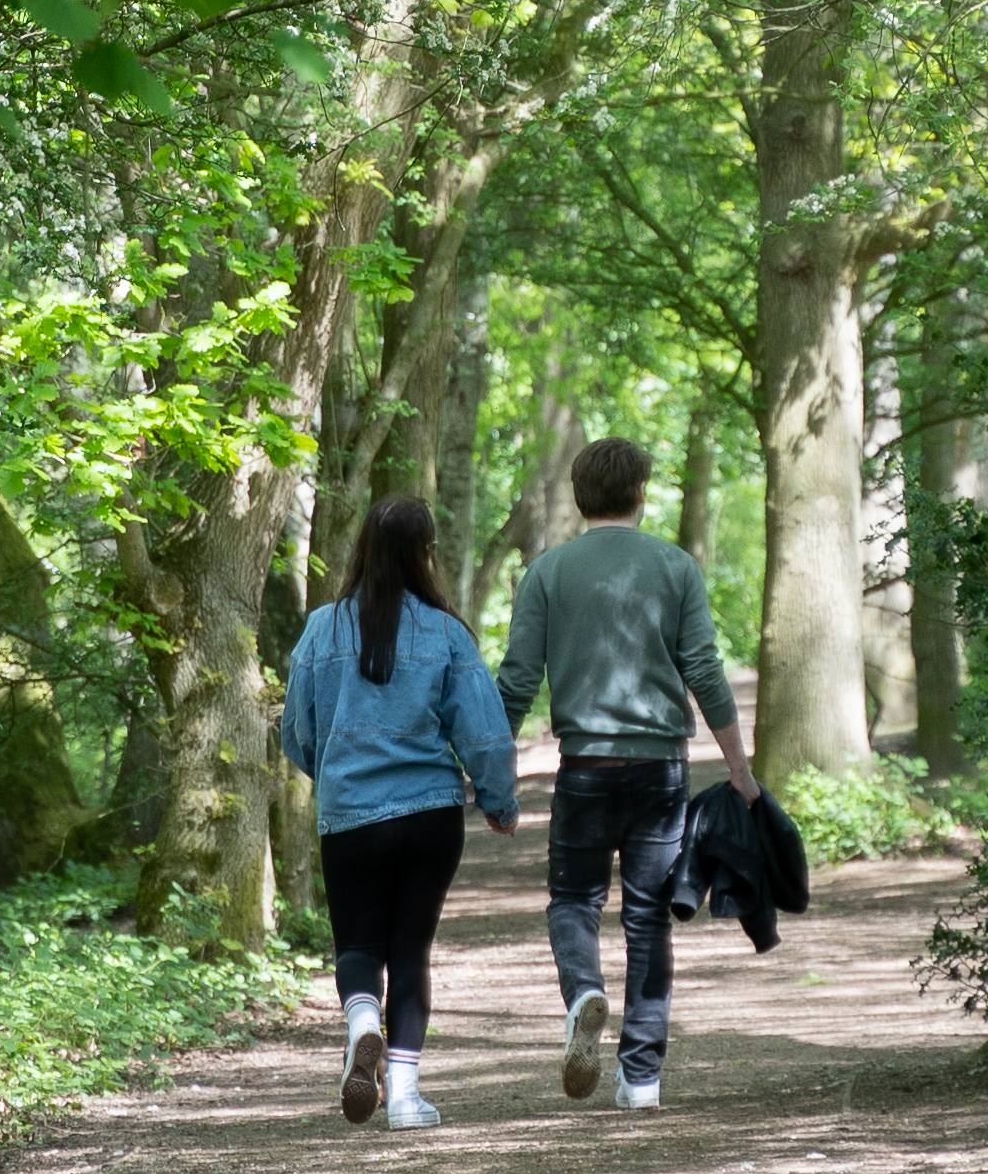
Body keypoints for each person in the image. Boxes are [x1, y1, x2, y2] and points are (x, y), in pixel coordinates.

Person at [497, 432, 756, 1112]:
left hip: (584, 767)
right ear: (640, 493)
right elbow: (703, 669)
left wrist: (486, 768)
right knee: (648, 920)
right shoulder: (675, 567)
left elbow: (518, 681)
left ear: (580, 498)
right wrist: (739, 768)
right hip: (660, 771)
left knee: (573, 900)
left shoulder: (548, 572)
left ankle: (583, 988)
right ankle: (640, 1077)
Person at [280, 495, 518, 1129]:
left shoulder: (320, 630)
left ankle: (363, 1025)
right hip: (429, 816)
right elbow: (485, 733)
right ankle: (407, 1100)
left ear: (361, 548)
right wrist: (498, 800)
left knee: (358, 945)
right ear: (425, 554)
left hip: (352, 815)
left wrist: (332, 774)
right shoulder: (446, 632)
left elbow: (296, 731)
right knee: (411, 950)